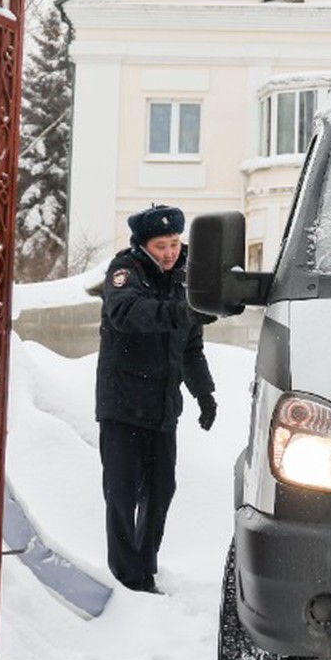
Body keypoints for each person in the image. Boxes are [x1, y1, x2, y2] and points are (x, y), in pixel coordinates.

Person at [95, 203, 217, 593]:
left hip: (163, 410)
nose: (169, 252)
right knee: (122, 494)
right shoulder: (125, 272)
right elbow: (126, 312)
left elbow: (191, 347)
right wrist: (180, 313)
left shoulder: (183, 278)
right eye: (161, 245)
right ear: (144, 244)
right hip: (124, 406)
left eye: (175, 243)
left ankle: (146, 568)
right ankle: (128, 578)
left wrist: (204, 392)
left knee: (161, 492)